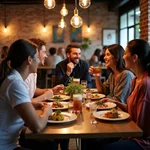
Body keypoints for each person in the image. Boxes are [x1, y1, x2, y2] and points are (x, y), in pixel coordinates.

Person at [0, 39, 57, 150]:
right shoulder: (15, 83)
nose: (39, 61)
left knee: (50, 143)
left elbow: (17, 106)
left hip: (11, 141)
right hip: (5, 146)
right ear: (29, 60)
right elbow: (37, 126)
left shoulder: (15, 79)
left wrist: (37, 105)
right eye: (37, 57)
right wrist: (47, 111)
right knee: (49, 143)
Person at [99, 39, 150, 150]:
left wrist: (122, 135)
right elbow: (132, 110)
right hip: (131, 132)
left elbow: (141, 129)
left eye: (125, 53)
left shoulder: (144, 84)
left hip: (142, 140)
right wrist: (114, 102)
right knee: (93, 140)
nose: (123, 56)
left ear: (135, 58)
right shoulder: (135, 79)